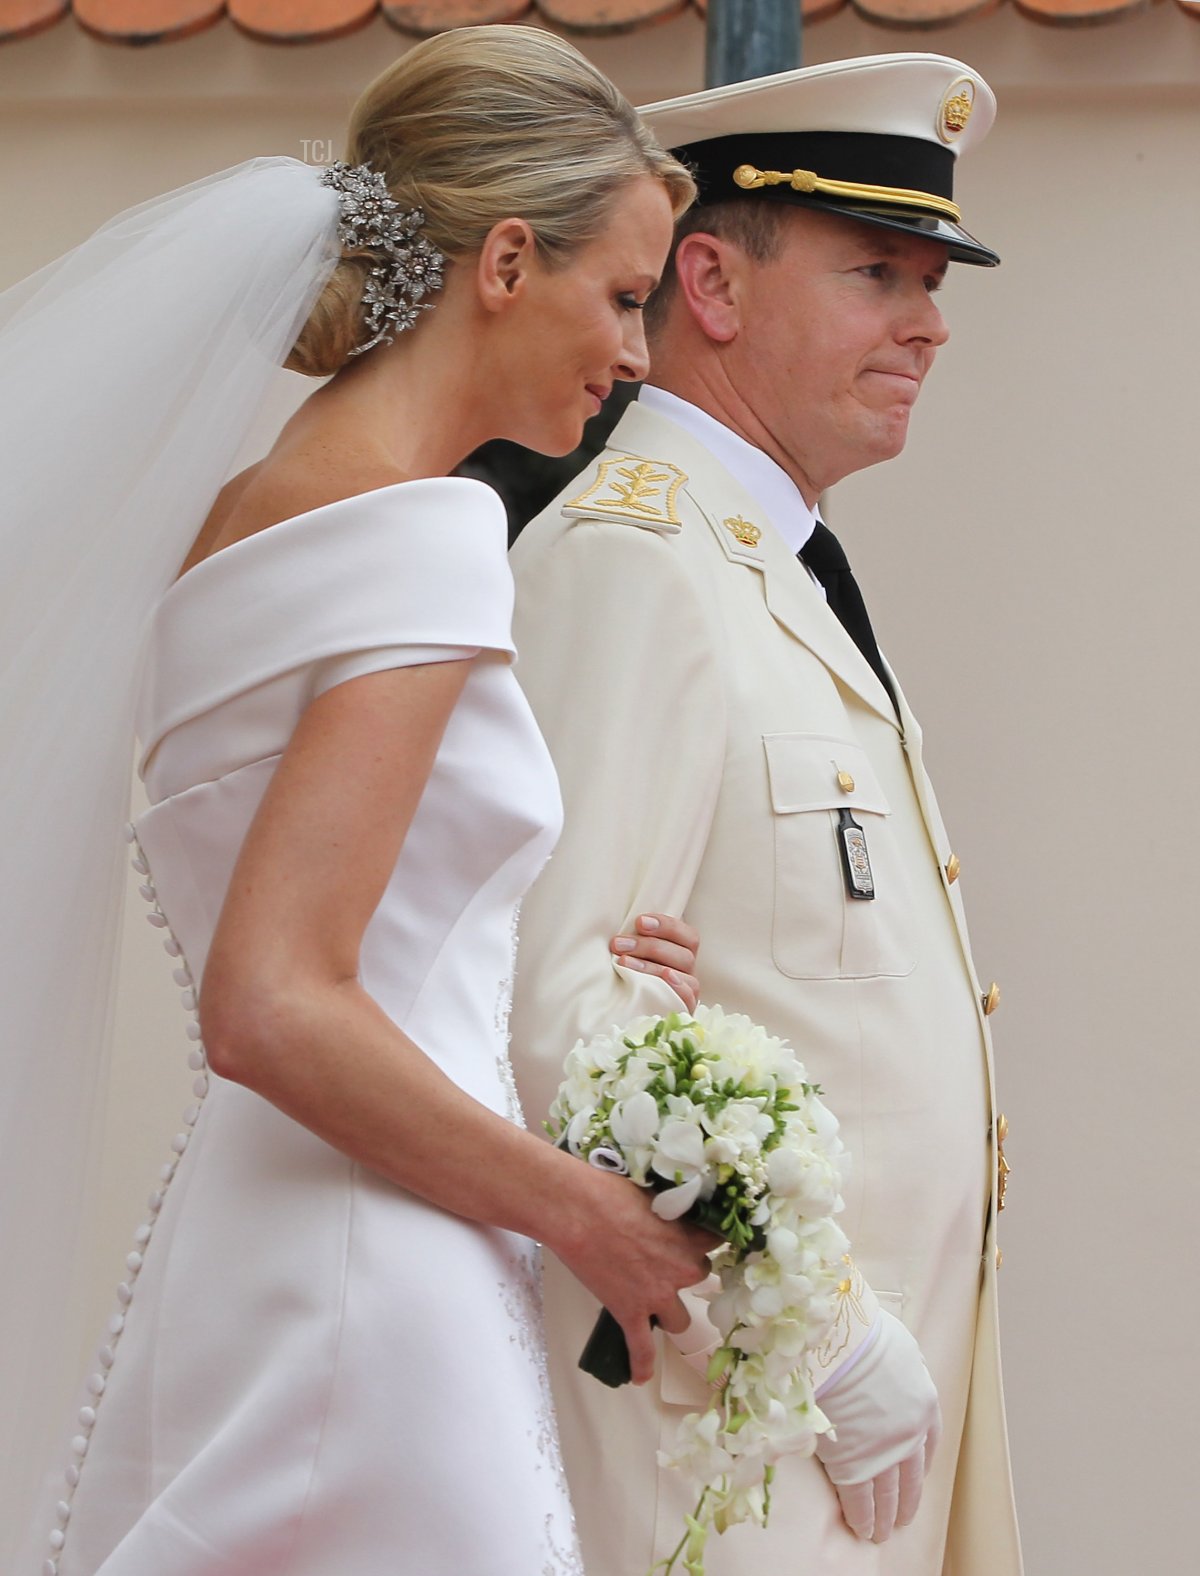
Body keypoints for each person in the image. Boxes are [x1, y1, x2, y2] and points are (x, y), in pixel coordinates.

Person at [0, 26, 719, 1575]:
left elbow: (359, 932)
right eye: (625, 295)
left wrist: (577, 975)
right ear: (508, 260)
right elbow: (272, 999)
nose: (641, 355)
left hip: (247, 1248)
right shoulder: (428, 536)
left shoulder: (233, 527)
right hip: (373, 1271)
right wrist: (586, 1212)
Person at [509, 53, 1023, 1576]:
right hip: (731, 1434)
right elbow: (559, 1016)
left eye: (931, 281)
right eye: (878, 272)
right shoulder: (635, 564)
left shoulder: (769, 568)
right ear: (713, 284)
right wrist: (838, 1343)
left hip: (856, 1423)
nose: (927, 323)